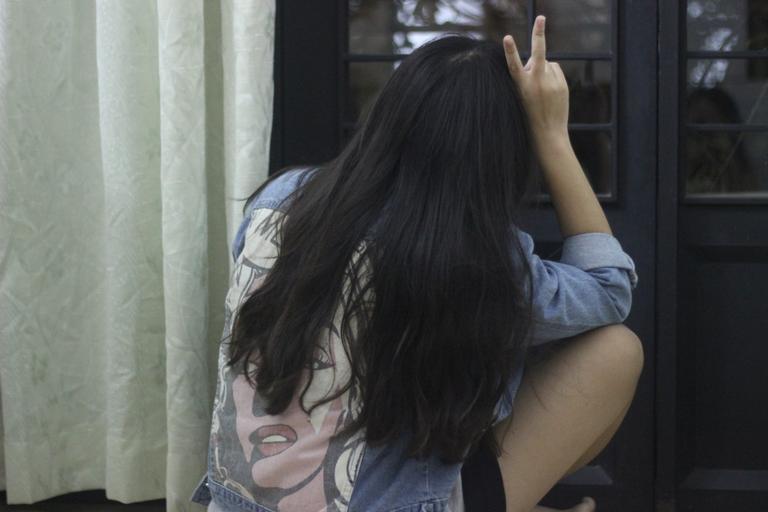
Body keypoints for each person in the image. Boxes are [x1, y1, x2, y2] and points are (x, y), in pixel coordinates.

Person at [190, 15, 642, 512]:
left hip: (235, 504)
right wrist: (553, 136)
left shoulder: (281, 199)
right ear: (501, 154)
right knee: (616, 351)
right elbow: (610, 286)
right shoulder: (473, 255)